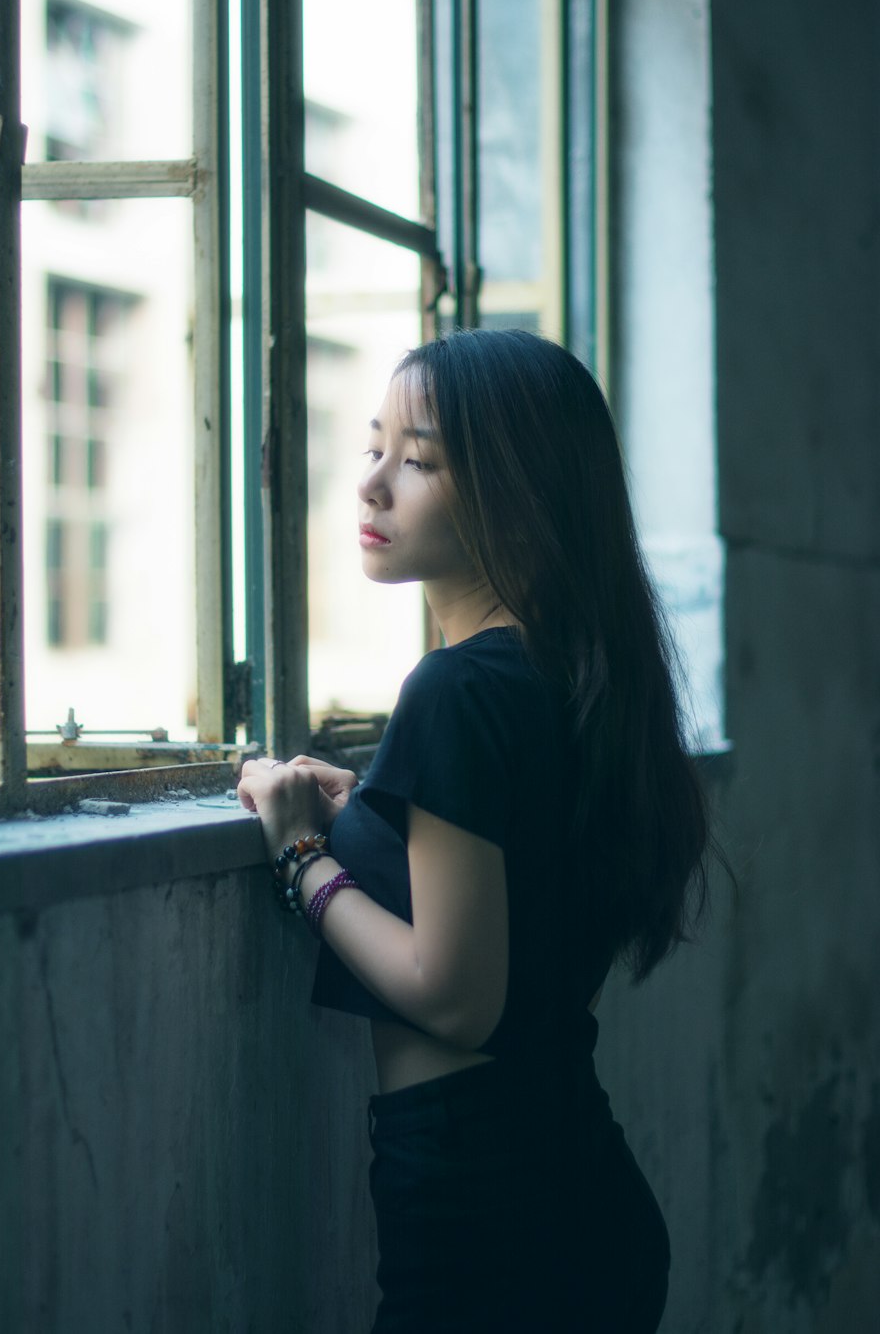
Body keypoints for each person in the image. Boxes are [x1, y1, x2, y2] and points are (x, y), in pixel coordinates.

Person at [238, 328, 717, 1333]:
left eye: (418, 462)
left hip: (490, 1225)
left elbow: (453, 996)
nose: (371, 486)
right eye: (374, 447)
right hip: (566, 1194)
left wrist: (299, 857)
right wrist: (365, 817)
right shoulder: (571, 681)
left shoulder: (457, 690)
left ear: (521, 494)